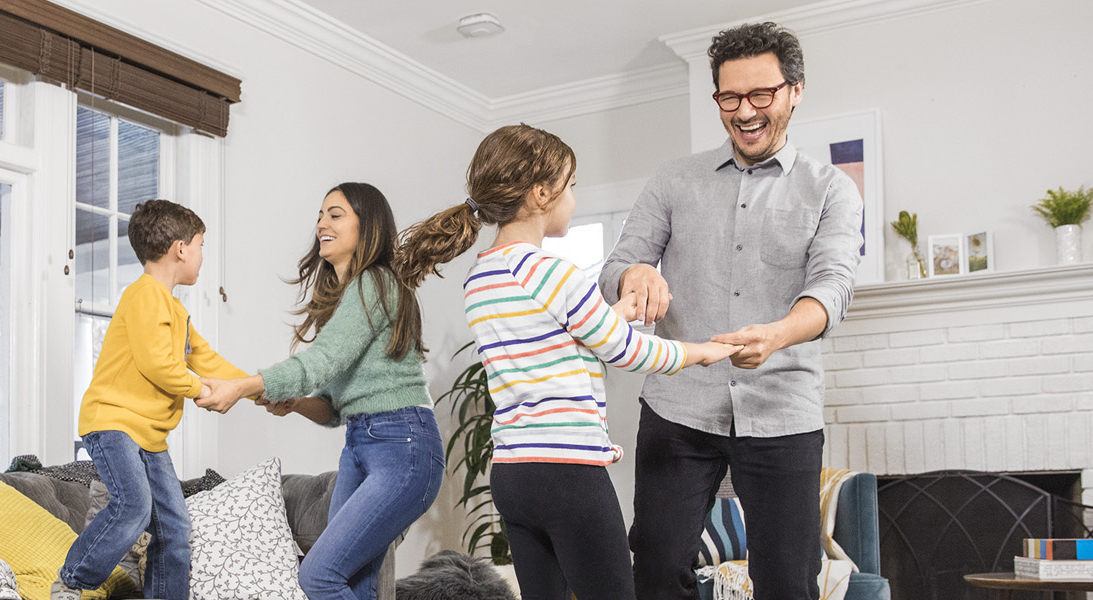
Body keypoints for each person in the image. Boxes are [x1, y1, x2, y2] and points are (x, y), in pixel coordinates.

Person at [393, 123, 741, 600]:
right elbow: (627, 349)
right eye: (571, 186)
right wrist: (705, 352)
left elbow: (555, 337)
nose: (573, 197)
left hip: (514, 473)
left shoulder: (482, 277)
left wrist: (612, 315)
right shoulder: (552, 272)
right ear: (541, 193)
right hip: (568, 473)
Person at [600, 22, 864, 600]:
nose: (744, 111)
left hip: (783, 410)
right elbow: (617, 265)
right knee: (656, 568)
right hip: (678, 406)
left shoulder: (831, 191)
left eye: (760, 95)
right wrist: (635, 273)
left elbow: (833, 287)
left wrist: (777, 334)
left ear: (794, 91)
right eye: (729, 97)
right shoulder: (674, 180)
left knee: (788, 581)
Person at [196, 183, 444, 600]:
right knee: (353, 585)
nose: (321, 225)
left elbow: (319, 363)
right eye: (320, 215)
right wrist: (294, 403)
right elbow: (332, 408)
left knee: (319, 576)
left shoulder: (376, 282)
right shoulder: (351, 297)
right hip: (362, 444)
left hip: (403, 444)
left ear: (368, 226)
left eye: (335, 214)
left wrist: (242, 386)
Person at [53, 199, 250, 600]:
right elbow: (157, 364)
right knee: (133, 507)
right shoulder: (143, 296)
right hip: (113, 423)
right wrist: (200, 390)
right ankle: (72, 581)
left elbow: (205, 358)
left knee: (174, 527)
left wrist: (254, 387)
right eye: (200, 246)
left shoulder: (175, 310)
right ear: (181, 248)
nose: (200, 257)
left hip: (149, 435)